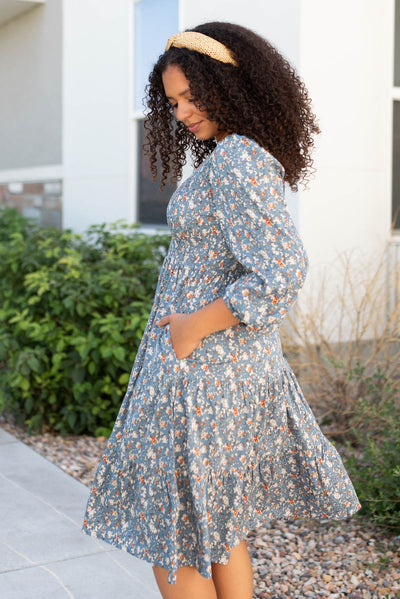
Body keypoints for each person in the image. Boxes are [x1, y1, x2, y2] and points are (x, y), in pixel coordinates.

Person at [82, 22, 361, 599]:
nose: (182, 112)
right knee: (215, 523)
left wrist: (189, 327)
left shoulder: (236, 161)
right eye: (173, 101)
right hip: (214, 369)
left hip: (200, 372)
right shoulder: (239, 157)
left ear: (230, 86)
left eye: (192, 96)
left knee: (170, 531)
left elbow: (282, 268)